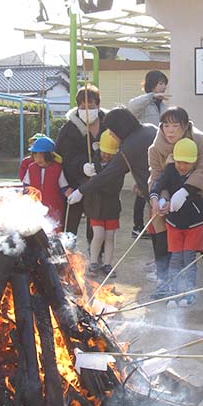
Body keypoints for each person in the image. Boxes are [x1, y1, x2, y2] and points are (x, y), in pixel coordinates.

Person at [148, 106, 203, 299]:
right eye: (166, 125)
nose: (170, 130)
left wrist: (185, 191)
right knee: (162, 241)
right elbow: (156, 175)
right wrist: (162, 198)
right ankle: (164, 282)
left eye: (175, 125)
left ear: (184, 126)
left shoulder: (199, 140)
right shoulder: (155, 148)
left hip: (196, 202)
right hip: (167, 207)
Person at [76, 107, 158, 263]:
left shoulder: (129, 146)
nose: (111, 135)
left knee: (161, 235)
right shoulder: (149, 129)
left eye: (112, 131)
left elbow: (108, 175)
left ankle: (165, 274)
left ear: (120, 128)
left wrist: (81, 191)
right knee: (161, 233)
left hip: (156, 194)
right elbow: (144, 165)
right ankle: (164, 271)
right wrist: (140, 182)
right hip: (161, 191)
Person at [150, 138, 203, 307]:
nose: (182, 166)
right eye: (179, 162)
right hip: (173, 223)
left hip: (194, 223)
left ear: (194, 161)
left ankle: (188, 292)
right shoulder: (170, 170)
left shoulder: (196, 175)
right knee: (175, 259)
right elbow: (158, 185)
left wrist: (184, 195)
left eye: (187, 163)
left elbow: (198, 190)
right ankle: (174, 292)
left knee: (188, 258)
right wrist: (157, 199)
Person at [55, 85, 105, 237]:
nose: (87, 110)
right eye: (83, 107)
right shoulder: (69, 129)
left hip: (100, 185)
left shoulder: (108, 124)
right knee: (70, 226)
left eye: (91, 106)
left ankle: (97, 256)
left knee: (96, 227)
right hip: (74, 184)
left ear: (98, 105)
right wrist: (81, 165)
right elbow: (64, 156)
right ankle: (68, 254)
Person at [128, 70, 169, 237]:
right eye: (160, 83)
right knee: (143, 189)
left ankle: (154, 223)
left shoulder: (163, 105)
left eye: (164, 83)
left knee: (155, 188)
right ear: (152, 84)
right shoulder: (145, 102)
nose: (164, 86)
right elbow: (131, 106)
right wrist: (152, 96)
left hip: (160, 152)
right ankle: (137, 226)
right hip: (144, 152)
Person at [84, 130, 124, 277]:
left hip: (112, 207)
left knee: (109, 236)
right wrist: (87, 175)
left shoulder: (118, 167)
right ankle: (93, 262)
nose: (107, 155)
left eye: (111, 153)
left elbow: (115, 187)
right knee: (98, 234)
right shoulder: (91, 163)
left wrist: (98, 181)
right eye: (105, 152)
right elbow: (85, 185)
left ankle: (107, 264)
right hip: (95, 207)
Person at [22, 136, 70, 228]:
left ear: (50, 155)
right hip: (35, 207)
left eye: (41, 156)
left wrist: (68, 192)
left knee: (54, 230)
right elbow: (26, 185)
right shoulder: (31, 168)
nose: (38, 159)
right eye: (35, 156)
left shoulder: (57, 168)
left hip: (54, 208)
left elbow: (63, 187)